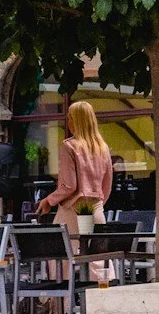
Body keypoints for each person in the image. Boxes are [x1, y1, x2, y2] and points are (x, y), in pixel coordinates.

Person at [34, 100, 114, 233]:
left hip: (72, 214)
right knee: (94, 253)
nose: (68, 122)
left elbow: (69, 186)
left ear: (77, 121)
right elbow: (107, 186)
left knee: (64, 251)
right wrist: (96, 204)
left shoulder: (69, 146)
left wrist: (48, 201)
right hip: (97, 213)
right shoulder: (103, 147)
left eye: (70, 118)